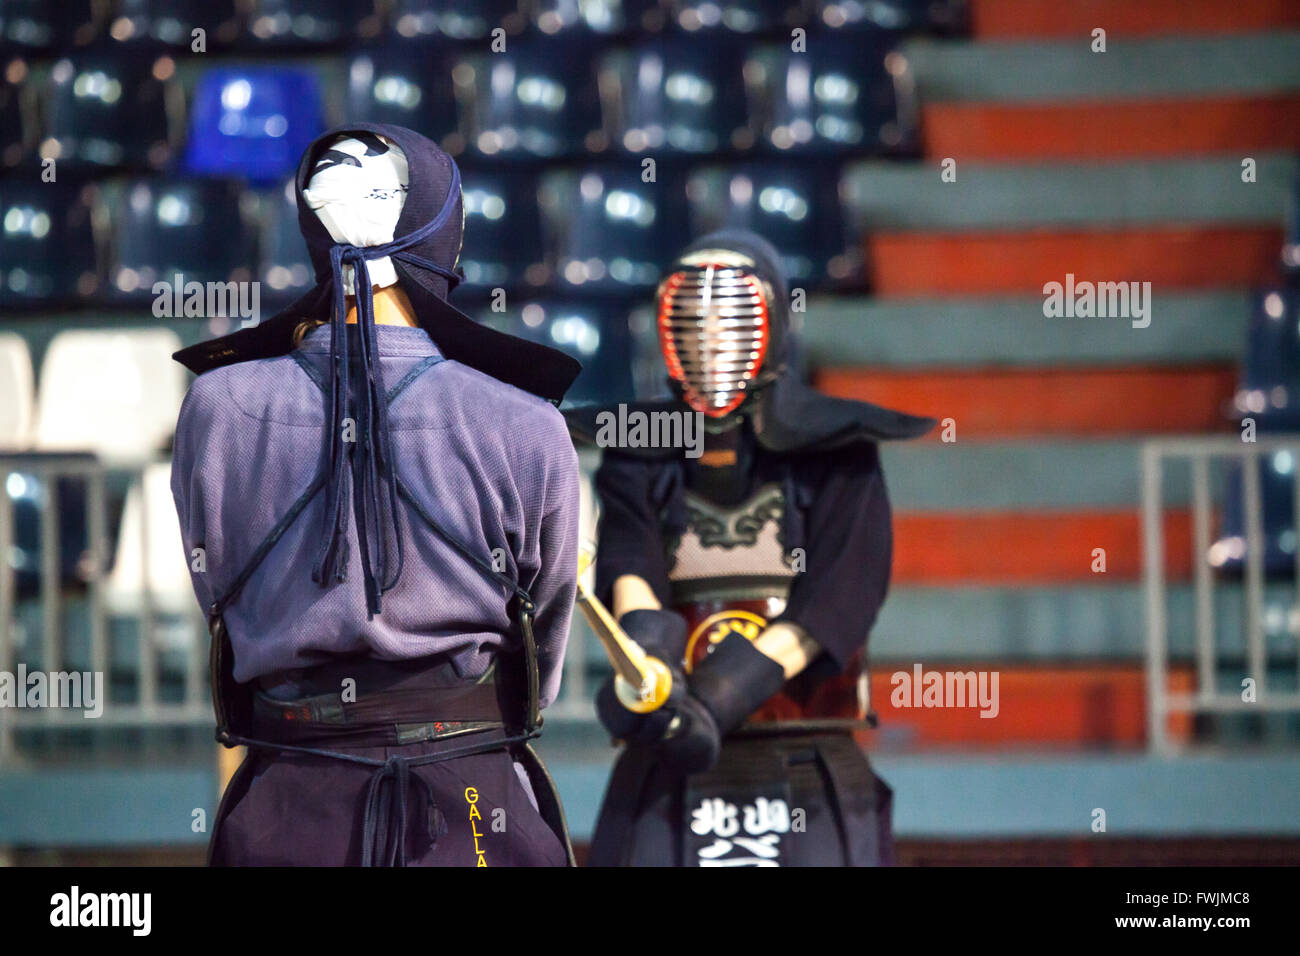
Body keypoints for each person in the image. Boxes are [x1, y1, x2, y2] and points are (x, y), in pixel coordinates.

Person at [170, 124, 581, 867]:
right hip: (471, 799)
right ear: (442, 232)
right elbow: (542, 639)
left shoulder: (213, 406)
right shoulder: (527, 420)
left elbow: (217, 591)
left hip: (289, 801)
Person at [567, 230, 935, 866]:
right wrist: (649, 662)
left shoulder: (839, 448)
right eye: (694, 319)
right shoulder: (638, 447)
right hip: (670, 738)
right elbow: (631, 562)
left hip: (802, 738)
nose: (710, 337)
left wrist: (724, 692)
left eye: (728, 317)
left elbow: (840, 596)